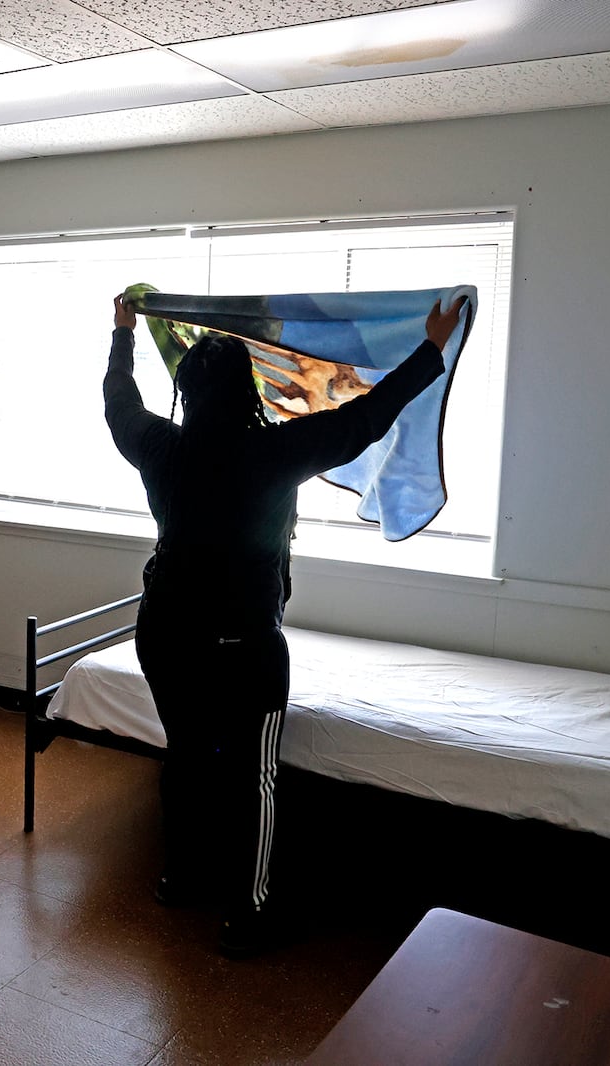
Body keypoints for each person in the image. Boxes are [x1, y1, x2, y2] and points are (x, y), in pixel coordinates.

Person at [103, 291, 468, 958]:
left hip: (165, 634)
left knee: (185, 755)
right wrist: (431, 347)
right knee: (254, 777)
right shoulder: (277, 450)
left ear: (186, 390)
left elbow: (118, 401)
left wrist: (123, 334)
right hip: (243, 648)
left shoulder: (159, 445)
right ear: (250, 388)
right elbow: (369, 417)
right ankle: (250, 912)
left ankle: (180, 877)